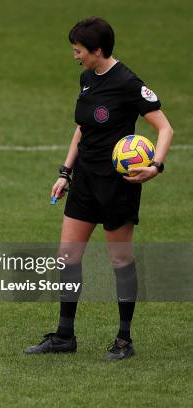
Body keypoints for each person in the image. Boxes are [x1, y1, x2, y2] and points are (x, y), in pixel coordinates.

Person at [24, 17, 173, 360]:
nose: (75, 56)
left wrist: (155, 166)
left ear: (98, 50)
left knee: (119, 260)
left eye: (79, 51)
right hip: (86, 181)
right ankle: (64, 336)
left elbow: (164, 128)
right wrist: (66, 171)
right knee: (68, 256)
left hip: (118, 185)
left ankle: (124, 340)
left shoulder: (128, 83)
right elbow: (83, 128)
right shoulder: (87, 78)